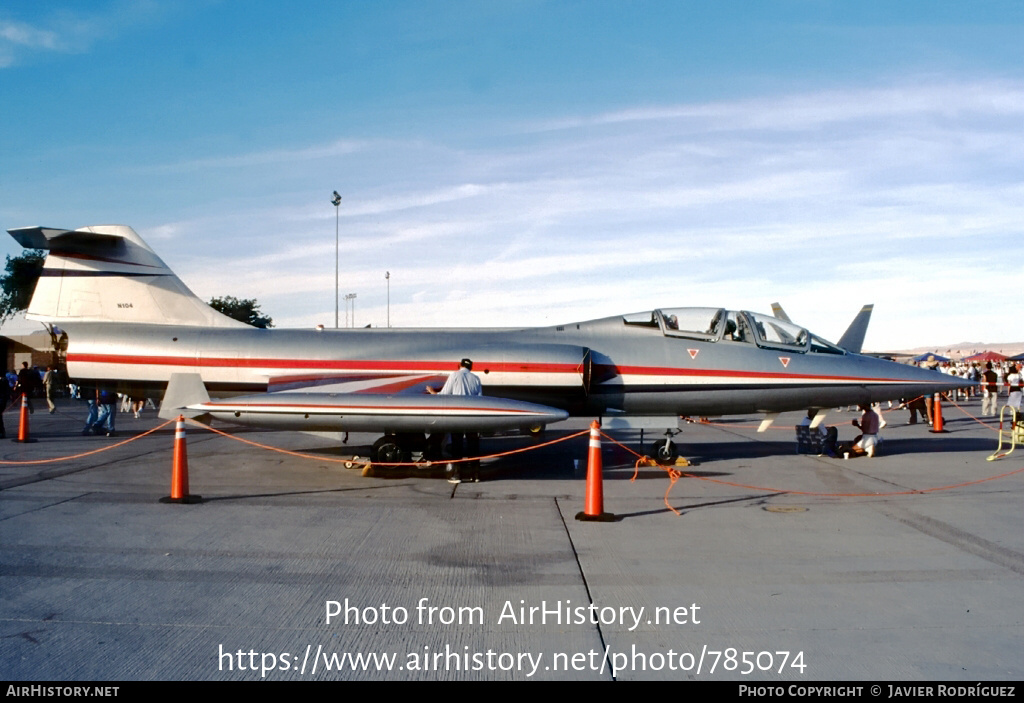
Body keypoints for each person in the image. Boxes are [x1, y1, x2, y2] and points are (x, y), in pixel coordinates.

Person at [427, 358, 483, 483]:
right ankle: (476, 474)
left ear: (459, 365)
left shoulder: (454, 375)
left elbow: (444, 394)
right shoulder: (476, 379)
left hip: (457, 415)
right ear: (471, 368)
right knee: (473, 445)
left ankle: (457, 475)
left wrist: (432, 392)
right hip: (472, 416)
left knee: (457, 445)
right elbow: (480, 399)